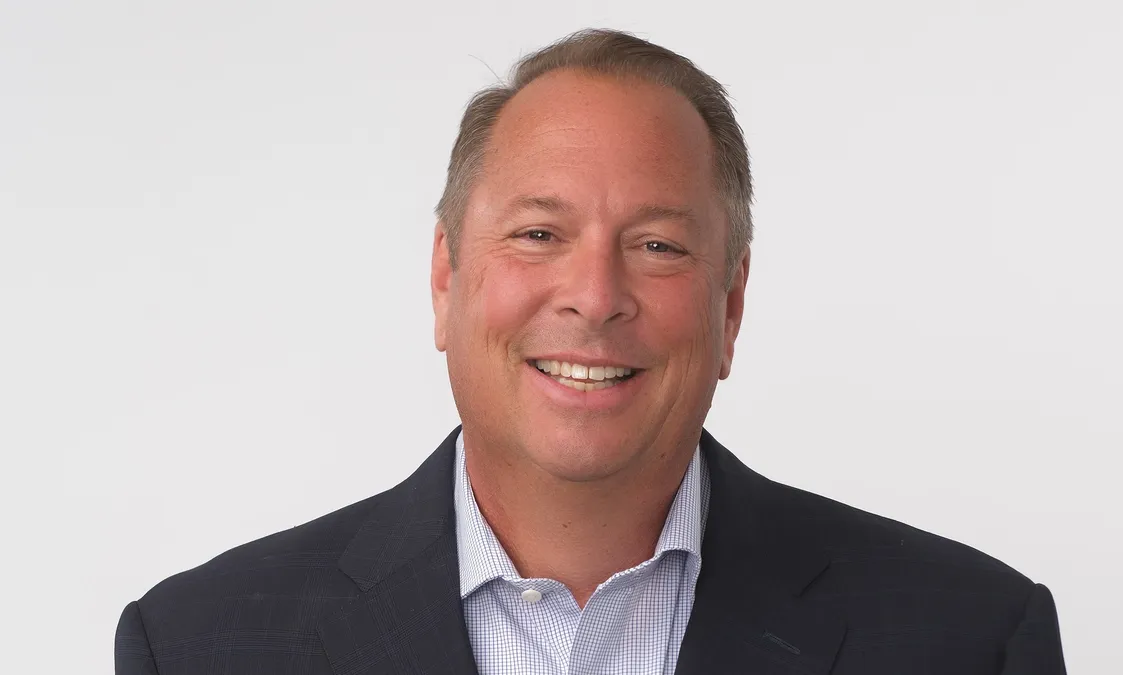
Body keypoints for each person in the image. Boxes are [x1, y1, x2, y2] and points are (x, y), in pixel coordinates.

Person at [115, 28, 1067, 675]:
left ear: (730, 305)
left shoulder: (967, 639)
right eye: (537, 234)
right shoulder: (204, 646)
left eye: (658, 245)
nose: (597, 297)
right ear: (446, 279)